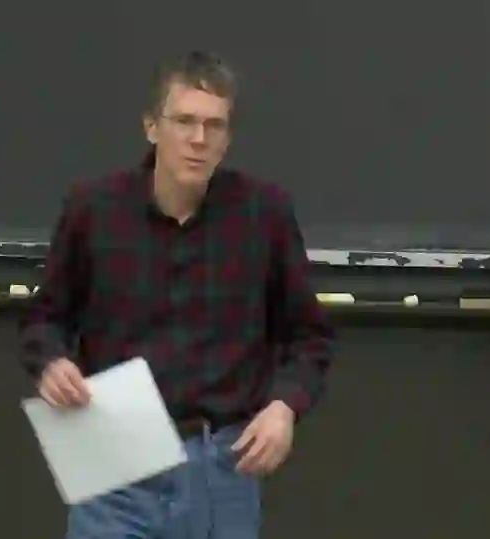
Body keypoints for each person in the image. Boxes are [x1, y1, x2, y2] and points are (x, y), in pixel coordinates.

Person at [18, 50, 336, 539]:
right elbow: (44, 317)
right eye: (184, 121)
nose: (198, 139)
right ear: (151, 127)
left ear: (227, 139)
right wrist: (51, 363)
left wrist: (283, 407)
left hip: (221, 465)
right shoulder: (94, 210)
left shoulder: (263, 214)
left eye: (214, 126)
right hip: (115, 459)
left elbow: (309, 336)